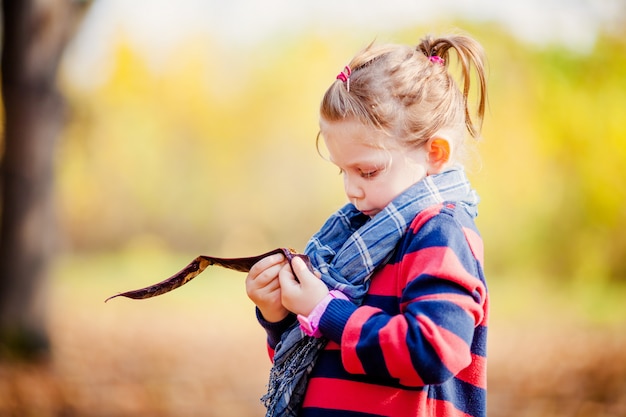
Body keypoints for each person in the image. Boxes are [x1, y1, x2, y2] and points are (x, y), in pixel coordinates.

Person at [246, 33, 489, 417]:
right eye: (343, 171)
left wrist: (325, 312)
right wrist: (281, 315)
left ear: (434, 153)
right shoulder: (355, 237)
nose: (351, 190)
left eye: (367, 171)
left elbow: (432, 352)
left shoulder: (440, 232)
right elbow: (317, 358)